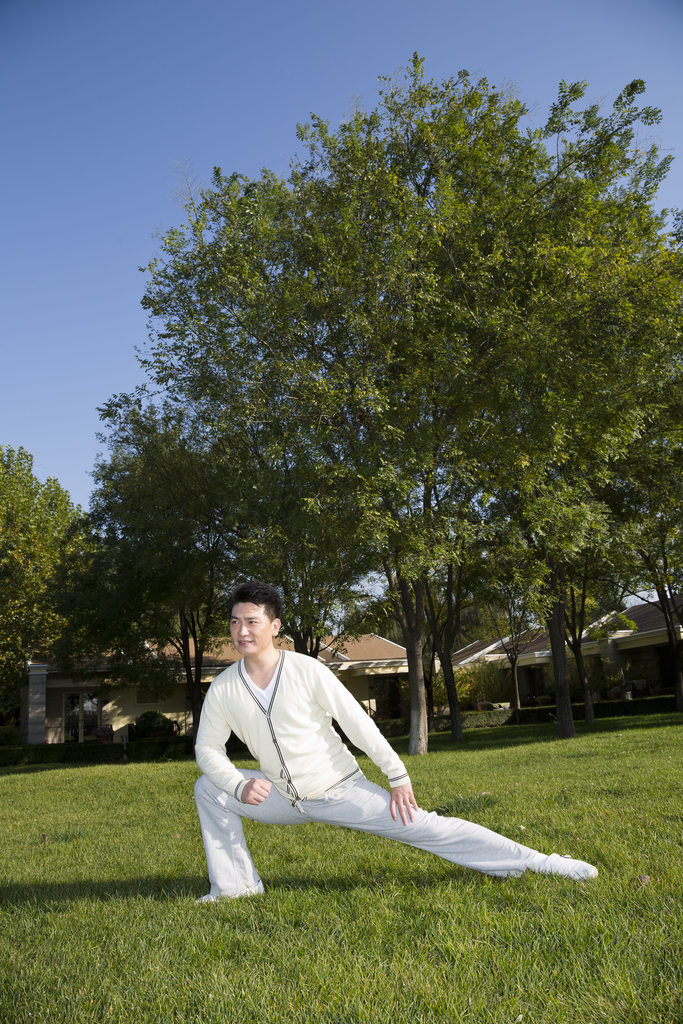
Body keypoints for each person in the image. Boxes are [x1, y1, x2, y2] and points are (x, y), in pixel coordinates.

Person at [194, 581, 598, 901]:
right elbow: (207, 749)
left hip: (340, 791)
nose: (242, 631)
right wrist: (239, 784)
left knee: (430, 828)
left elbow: (357, 724)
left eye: (252, 621)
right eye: (234, 622)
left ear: (274, 627)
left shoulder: (306, 671)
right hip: (282, 798)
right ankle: (236, 887)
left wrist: (397, 774)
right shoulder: (225, 688)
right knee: (209, 789)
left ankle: (542, 863)